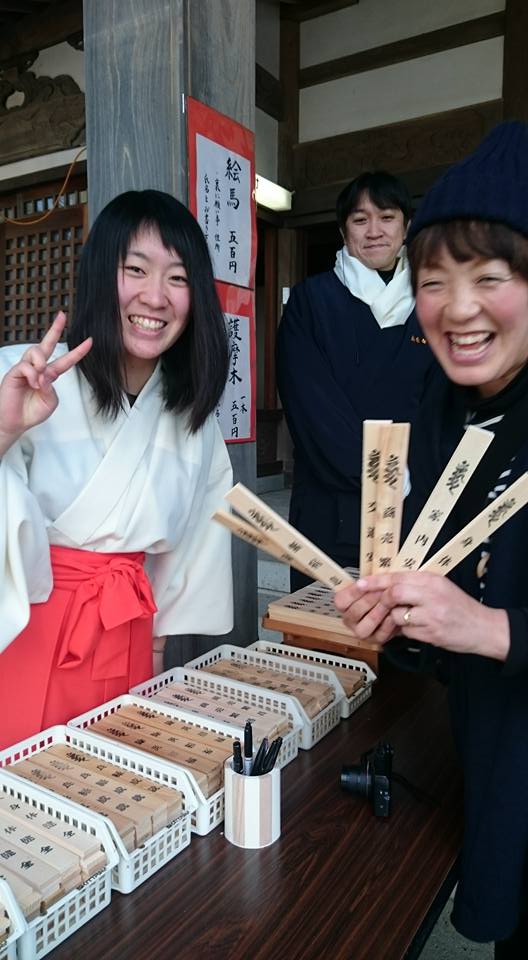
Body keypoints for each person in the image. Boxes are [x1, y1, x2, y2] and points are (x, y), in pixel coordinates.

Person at [335, 122, 528, 957]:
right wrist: (405, 623)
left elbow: (484, 618)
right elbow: (458, 590)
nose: (458, 308)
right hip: (496, 758)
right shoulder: (451, 410)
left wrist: (488, 628)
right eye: (434, 281)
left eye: (490, 277)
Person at [0, 189, 233, 750]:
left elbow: (191, 550)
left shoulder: (192, 419)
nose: (155, 296)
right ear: (102, 275)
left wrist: (154, 651)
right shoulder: (20, 377)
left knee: (116, 776)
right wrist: (5, 430)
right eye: (136, 270)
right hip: (26, 628)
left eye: (178, 278)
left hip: (129, 637)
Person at [276, 171, 435, 590]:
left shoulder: (431, 304)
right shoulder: (310, 302)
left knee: (409, 622)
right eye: (361, 219)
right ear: (343, 230)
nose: (374, 230)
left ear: (407, 227)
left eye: (387, 217)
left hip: (414, 508)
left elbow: (443, 404)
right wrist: (386, 476)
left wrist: (417, 478)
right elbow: (311, 406)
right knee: (326, 622)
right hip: (332, 505)